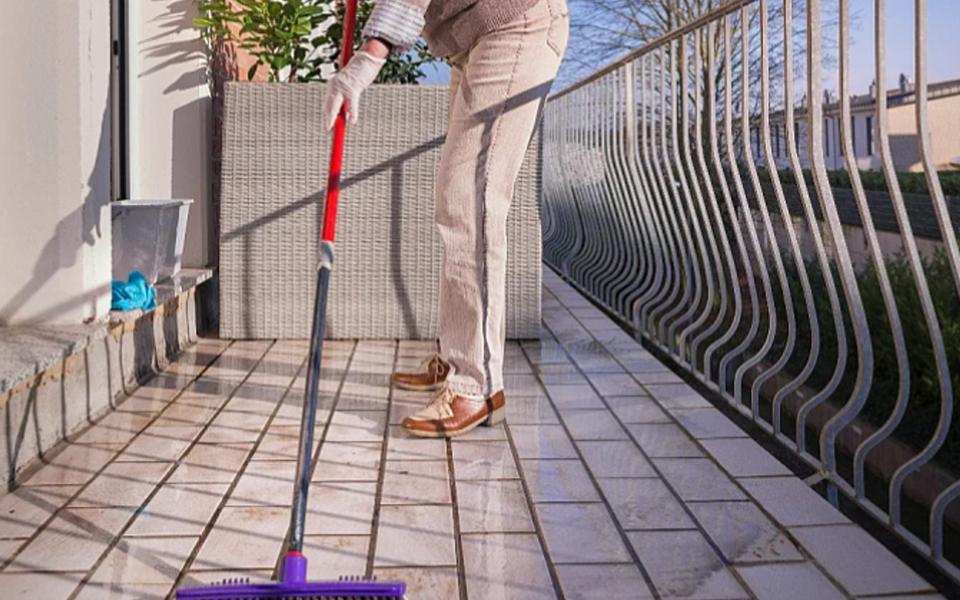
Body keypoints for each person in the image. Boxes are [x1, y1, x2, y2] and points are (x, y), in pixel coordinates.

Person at [323, 0, 569, 438]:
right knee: (460, 197)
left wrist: (369, 55)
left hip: (514, 23)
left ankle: (476, 383)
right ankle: (458, 352)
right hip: (471, 38)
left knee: (469, 199)